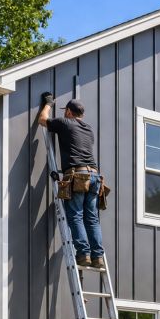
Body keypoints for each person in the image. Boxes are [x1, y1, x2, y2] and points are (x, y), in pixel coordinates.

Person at [37, 93, 105, 269]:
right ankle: (97, 256)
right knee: (92, 218)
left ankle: (83, 254)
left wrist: (48, 104)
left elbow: (42, 120)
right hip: (95, 177)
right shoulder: (89, 129)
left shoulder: (65, 122)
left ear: (68, 111)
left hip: (78, 176)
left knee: (75, 215)